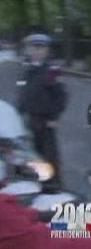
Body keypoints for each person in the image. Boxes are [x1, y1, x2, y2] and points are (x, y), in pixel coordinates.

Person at [16, 34, 67, 190]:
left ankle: (55, 186)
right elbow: (22, 93)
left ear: (47, 50)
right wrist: (16, 113)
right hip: (30, 118)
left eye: (41, 48)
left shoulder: (52, 70)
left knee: (50, 154)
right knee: (34, 154)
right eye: (34, 47)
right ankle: (42, 183)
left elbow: (61, 96)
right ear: (29, 49)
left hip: (46, 120)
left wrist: (54, 117)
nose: (37, 51)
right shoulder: (27, 69)